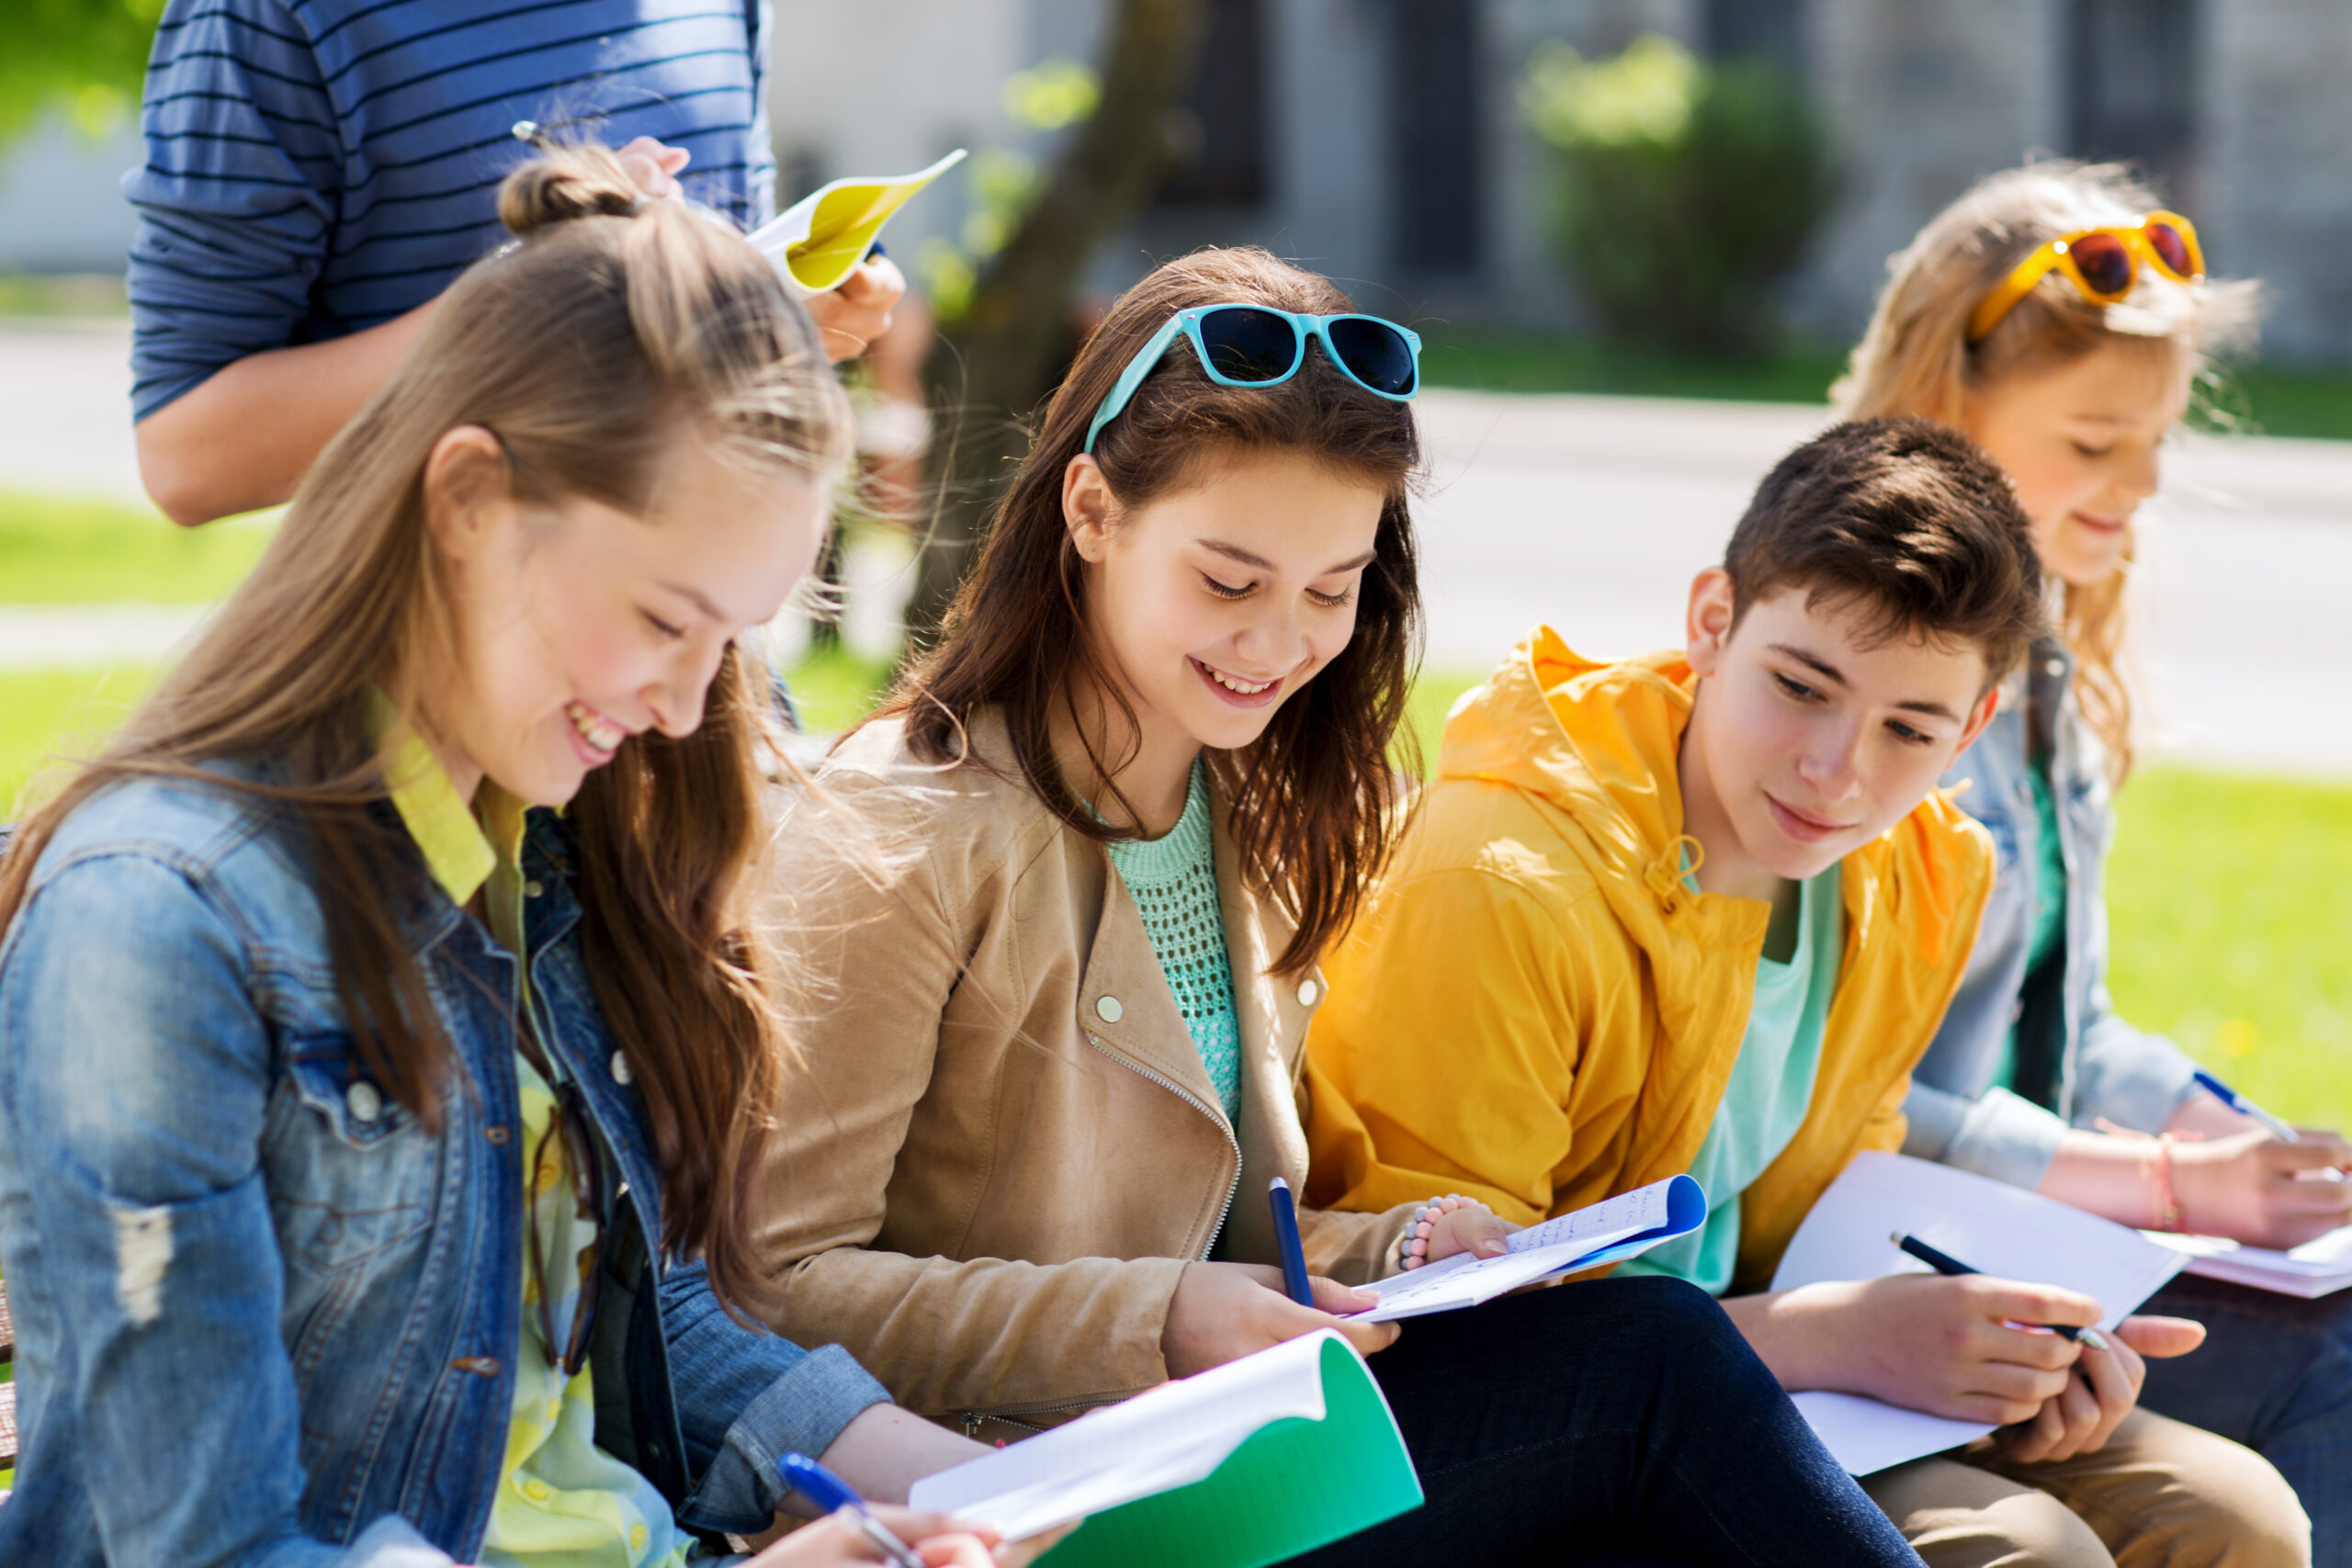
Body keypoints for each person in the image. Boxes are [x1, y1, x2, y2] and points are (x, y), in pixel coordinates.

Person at [747, 245, 1930, 1567]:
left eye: (1331, 588)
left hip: (1216, 1435)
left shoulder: (1256, 806)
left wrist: (1404, 1244)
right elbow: (767, 1283)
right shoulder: (902, 825)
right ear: (1091, 508)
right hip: (1002, 1487)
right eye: (1227, 579)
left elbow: (1207, 1229)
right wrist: (1158, 1315)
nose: (1277, 644)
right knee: (1651, 1360)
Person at [0, 145, 1043, 1568]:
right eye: (665, 617)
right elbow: (201, 1547)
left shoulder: (560, 843)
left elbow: (648, 1318)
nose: (688, 706)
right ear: (469, 499)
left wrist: (988, 1491)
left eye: (726, 638)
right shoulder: (162, 922)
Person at [1303, 418, 2311, 1568]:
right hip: (1571, 1433)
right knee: (2036, 1554)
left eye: (1909, 729)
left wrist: (2007, 1351)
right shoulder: (1505, 881)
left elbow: (1835, 1194)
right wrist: (1839, 1340)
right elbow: (1456, 1347)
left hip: (1789, 1371)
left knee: (2237, 1518)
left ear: (1972, 727)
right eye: (1800, 687)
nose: (1839, 772)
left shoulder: (1921, 870)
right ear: (1712, 623)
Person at [1832, 162, 2352, 1563]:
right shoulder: (1858, 699)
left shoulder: (2049, 663)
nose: (2143, 486)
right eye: (2096, 441)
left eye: (2159, 440)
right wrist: (2180, 1188)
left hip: (2040, 1230)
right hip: (1893, 1257)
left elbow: (2073, 1018)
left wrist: (2248, 1143)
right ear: (1948, 413)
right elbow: (1845, 1092)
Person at [127, 0, 904, 527]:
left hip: (720, 704)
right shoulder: (263, 15)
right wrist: (540, 294)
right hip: (440, 716)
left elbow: (703, 291)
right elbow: (189, 458)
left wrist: (785, 315)